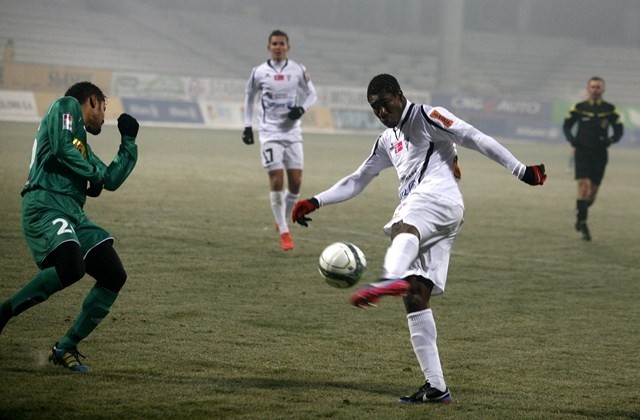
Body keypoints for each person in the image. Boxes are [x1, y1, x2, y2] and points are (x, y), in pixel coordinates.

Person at [292, 74, 546, 404]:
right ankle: (436, 387)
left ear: (399, 95)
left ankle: (387, 278)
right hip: (441, 216)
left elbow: (473, 136)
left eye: (385, 102)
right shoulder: (387, 140)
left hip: (436, 199)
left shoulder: (427, 116)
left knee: (402, 226)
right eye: (375, 108)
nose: (381, 111)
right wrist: (316, 200)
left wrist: (520, 170)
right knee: (415, 296)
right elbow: (360, 178)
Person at [0, 81, 139, 372]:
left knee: (114, 275)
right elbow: (63, 148)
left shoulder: (82, 147)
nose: (104, 116)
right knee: (71, 267)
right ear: (92, 101)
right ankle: (3, 314)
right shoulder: (65, 107)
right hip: (45, 205)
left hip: (74, 215)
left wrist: (128, 142)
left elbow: (109, 179)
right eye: (103, 109)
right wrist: (92, 176)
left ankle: (65, 346)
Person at [242, 29, 317, 251]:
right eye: (274, 43)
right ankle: (285, 231)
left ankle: (282, 217)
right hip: (269, 132)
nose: (277, 47)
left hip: (292, 133)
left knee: (296, 182)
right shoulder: (258, 72)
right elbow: (249, 98)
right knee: (277, 180)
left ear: (287, 47)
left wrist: (301, 109)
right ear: (268, 47)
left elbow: (312, 94)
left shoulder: (298, 70)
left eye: (281, 43)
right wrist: (247, 126)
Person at [563, 76, 623, 241]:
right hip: (582, 153)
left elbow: (619, 129)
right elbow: (567, 125)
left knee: (592, 193)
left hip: (600, 155)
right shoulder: (579, 107)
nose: (595, 90)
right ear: (588, 89)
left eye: (598, 87)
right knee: (583, 187)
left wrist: (611, 140)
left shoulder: (610, 109)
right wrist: (571, 138)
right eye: (593, 87)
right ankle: (583, 224)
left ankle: (580, 211)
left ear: (603, 89)